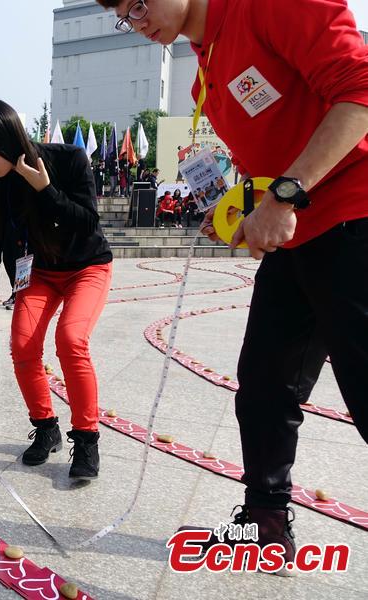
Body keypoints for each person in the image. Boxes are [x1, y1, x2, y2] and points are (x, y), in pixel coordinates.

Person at [100, 0, 368, 560]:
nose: (137, 20)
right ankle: (267, 521)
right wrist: (244, 206)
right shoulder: (207, 58)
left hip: (354, 218)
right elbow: (275, 141)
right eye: (123, 14)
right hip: (299, 239)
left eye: (139, 2)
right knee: (266, 384)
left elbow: (360, 91)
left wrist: (285, 197)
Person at [0, 98, 113, 479]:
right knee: (23, 344)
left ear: (8, 139)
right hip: (40, 275)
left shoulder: (69, 160)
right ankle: (46, 428)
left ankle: (86, 441)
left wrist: (46, 189)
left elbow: (87, 223)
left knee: (71, 339)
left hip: (87, 267)